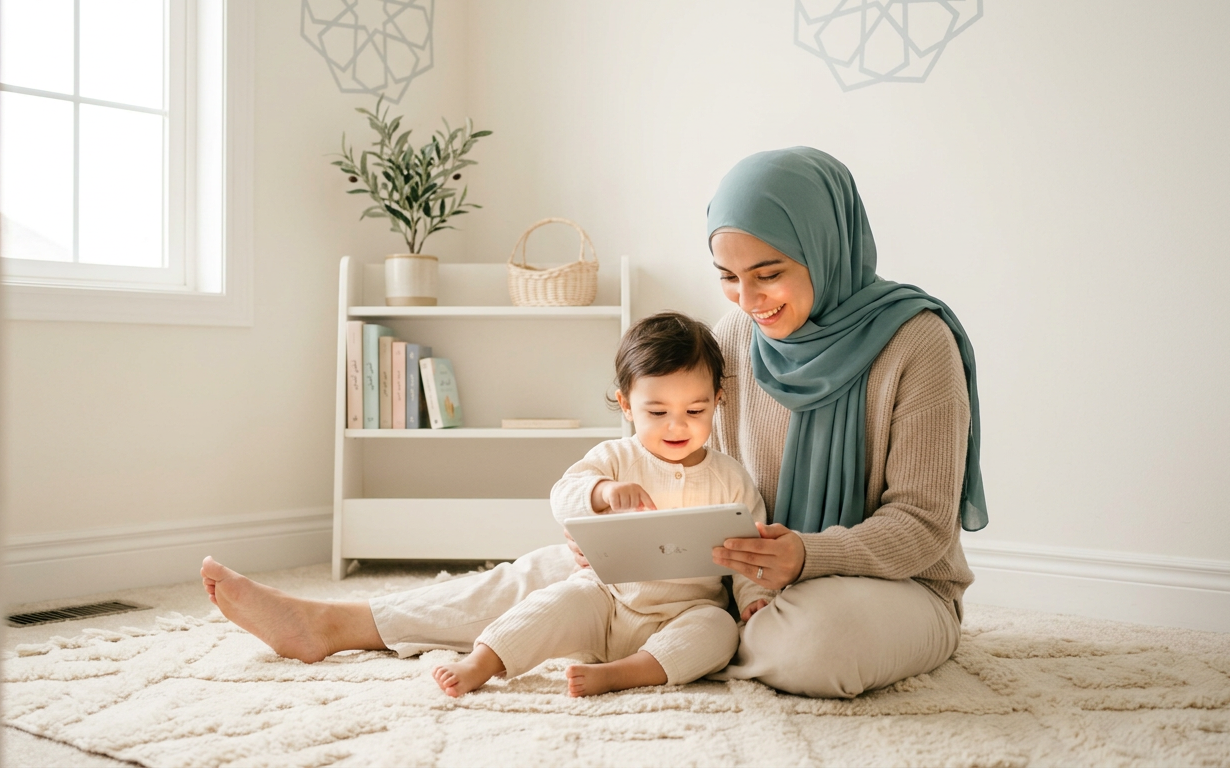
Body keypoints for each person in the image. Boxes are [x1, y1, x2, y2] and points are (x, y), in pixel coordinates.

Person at [201, 146, 985, 699]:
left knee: (814, 646)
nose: (749, 300)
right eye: (728, 277)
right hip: (734, 575)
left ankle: (677, 637)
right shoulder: (737, 336)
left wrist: (807, 555)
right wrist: (624, 526)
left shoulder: (918, 344)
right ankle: (337, 623)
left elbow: (923, 527)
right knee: (559, 573)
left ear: (827, 243)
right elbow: (682, 453)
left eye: (769, 273)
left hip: (883, 589)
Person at [431, 311, 774, 698]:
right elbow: (563, 495)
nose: (677, 426)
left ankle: (622, 674)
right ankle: (482, 662)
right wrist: (602, 492)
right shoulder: (614, 457)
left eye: (695, 411)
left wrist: (753, 598)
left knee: (719, 628)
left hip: (686, 612)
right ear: (626, 405)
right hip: (605, 601)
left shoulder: (731, 478)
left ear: (717, 400)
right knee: (554, 600)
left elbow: (750, 549)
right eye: (657, 412)